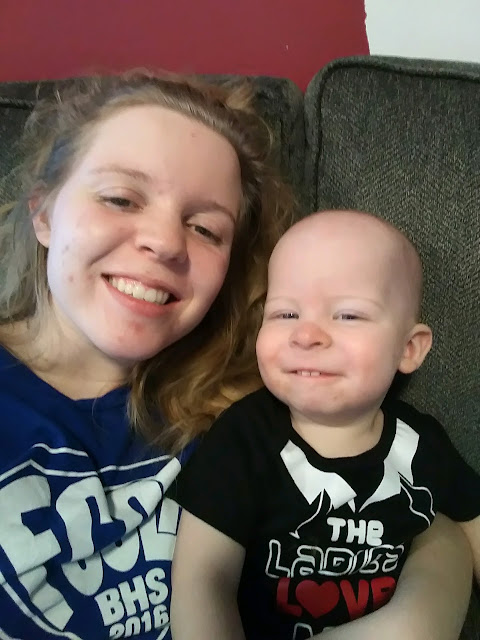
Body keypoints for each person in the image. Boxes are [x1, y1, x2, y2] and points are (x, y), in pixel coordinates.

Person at [0, 71, 296, 639]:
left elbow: (421, 508)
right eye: (120, 198)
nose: (164, 242)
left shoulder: (248, 409)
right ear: (44, 213)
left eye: (205, 229)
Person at [171, 210, 480, 640]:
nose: (306, 335)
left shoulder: (421, 446)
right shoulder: (243, 439)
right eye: (285, 314)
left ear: (409, 349)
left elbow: (473, 523)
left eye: (348, 315)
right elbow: (202, 581)